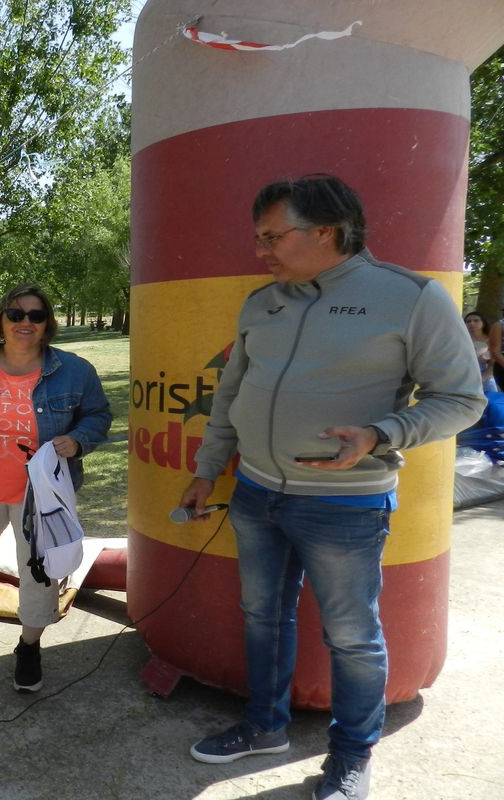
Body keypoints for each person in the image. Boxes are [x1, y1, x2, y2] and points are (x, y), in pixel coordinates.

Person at [178, 175, 485, 800]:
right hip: (255, 493)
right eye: (259, 237)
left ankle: (350, 757)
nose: (261, 250)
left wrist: (381, 433)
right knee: (262, 616)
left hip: (345, 504)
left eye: (272, 237)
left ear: (326, 232)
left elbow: (462, 399)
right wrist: (208, 469)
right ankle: (265, 726)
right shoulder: (262, 302)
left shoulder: (411, 298)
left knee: (351, 636)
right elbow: (230, 393)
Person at [0, 285, 112, 692]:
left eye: (35, 315)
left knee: (38, 571)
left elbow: (99, 415)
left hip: (42, 496)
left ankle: (29, 646)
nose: (25, 322)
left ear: (48, 322)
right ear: (0, 320)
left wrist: (79, 439)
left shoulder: (75, 370)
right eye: (15, 314)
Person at [465, 311, 499, 393]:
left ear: (483, 323)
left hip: (485, 374)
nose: (472, 323)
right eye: (468, 321)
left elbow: (493, 365)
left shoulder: (491, 339)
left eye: (476, 320)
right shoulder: (462, 338)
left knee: (491, 396)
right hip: (464, 373)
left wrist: (482, 379)